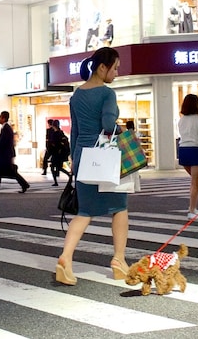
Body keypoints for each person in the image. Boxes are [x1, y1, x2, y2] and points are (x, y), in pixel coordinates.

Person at [56, 47, 127, 286]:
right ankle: (118, 260)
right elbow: (108, 124)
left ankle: (65, 258)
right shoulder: (107, 94)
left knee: (84, 212)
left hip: (83, 156)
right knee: (119, 207)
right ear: (102, 68)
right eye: (115, 68)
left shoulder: (76, 95)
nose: (116, 73)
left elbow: (74, 131)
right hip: (105, 156)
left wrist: (75, 160)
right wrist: (121, 129)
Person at [177, 94, 198, 217]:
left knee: (194, 181)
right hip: (195, 150)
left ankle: (191, 205)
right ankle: (192, 209)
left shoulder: (181, 120)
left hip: (183, 151)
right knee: (195, 183)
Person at [0, 111, 29, 193]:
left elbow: (2, 143)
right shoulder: (6, 128)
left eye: (0, 117)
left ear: (4, 118)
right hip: (6, 154)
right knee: (3, 171)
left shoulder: (6, 129)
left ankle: (24, 184)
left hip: (5, 155)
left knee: (5, 171)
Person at [46, 120, 71, 186]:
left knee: (53, 167)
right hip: (60, 153)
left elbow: (54, 143)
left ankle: (56, 181)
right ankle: (68, 175)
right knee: (59, 167)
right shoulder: (61, 132)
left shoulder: (55, 134)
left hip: (56, 153)